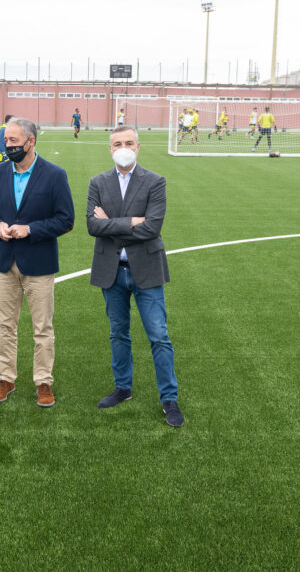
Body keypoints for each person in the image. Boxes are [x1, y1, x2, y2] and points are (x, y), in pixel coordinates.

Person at [86, 126, 183, 427]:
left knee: (159, 335)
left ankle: (169, 398)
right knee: (118, 333)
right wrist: (131, 222)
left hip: (147, 269)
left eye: (128, 142)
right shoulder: (97, 182)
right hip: (112, 271)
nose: (123, 147)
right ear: (110, 148)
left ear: (138, 146)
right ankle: (123, 388)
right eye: (117, 143)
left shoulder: (155, 181)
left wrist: (112, 223)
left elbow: (151, 228)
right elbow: (92, 226)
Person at [0, 117, 74, 407]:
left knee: (42, 328)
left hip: (39, 263)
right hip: (5, 262)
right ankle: (6, 378)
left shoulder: (54, 175)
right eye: (5, 140)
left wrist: (30, 229)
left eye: (12, 140)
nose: (6, 145)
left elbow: (66, 220)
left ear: (30, 141)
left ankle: (43, 382)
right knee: (5, 326)